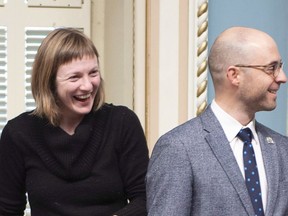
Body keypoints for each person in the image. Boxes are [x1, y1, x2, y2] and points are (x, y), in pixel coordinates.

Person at [0, 28, 149, 216]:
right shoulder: (18, 133)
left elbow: (145, 199)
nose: (87, 85)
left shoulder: (122, 122)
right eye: (74, 77)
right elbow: (7, 210)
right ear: (49, 82)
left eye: (93, 73)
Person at [146, 26, 288, 215]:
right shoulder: (178, 148)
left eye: (280, 66)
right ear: (234, 75)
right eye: (271, 68)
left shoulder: (281, 148)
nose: (282, 77)